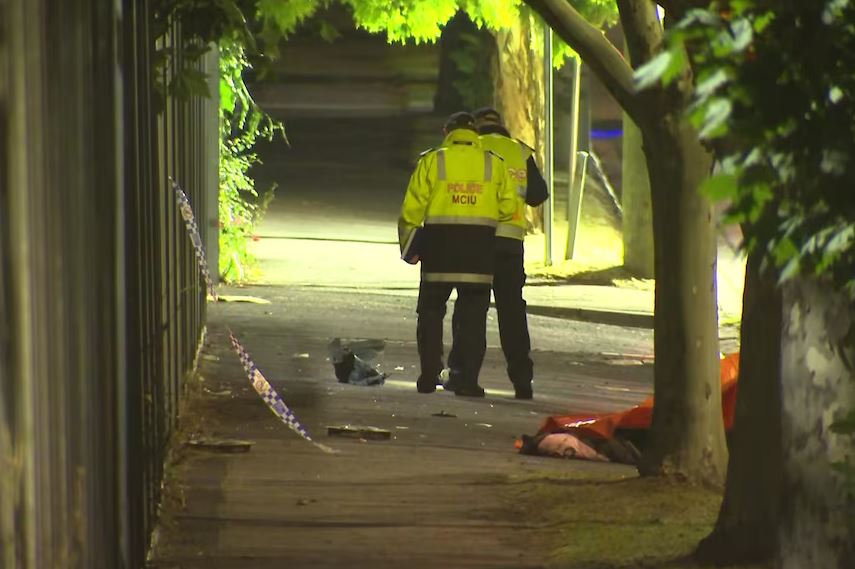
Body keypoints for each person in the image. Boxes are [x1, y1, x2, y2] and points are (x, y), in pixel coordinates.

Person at [398, 112, 516, 397]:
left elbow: (411, 210)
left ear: (446, 131)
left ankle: (429, 376)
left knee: (430, 313)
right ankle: (467, 381)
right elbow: (508, 207)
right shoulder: (493, 163)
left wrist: (409, 249)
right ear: (474, 133)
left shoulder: (433, 160)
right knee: (473, 319)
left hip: (439, 249)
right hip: (478, 251)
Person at [448, 107, 548, 400]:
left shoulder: (472, 149)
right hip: (510, 245)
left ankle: (465, 378)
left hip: (476, 240)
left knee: (471, 309)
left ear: (477, 128)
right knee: (513, 313)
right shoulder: (520, 152)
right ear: (502, 126)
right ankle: (522, 382)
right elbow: (538, 195)